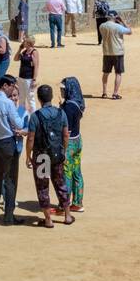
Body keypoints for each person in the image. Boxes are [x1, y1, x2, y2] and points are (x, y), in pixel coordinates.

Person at [25, 84, 73, 227]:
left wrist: (28, 156)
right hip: (57, 155)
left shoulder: (35, 116)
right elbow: (65, 135)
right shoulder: (61, 113)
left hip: (42, 157)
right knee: (60, 184)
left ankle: (48, 220)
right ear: (51, 97)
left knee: (42, 187)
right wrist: (63, 152)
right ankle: (68, 216)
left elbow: (31, 139)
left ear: (39, 99)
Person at [0, 75, 27, 225]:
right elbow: (19, 124)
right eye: (12, 86)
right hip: (8, 144)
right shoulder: (8, 103)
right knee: (10, 180)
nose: (13, 89)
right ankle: (8, 216)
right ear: (5, 85)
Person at [58, 75, 85, 213]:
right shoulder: (77, 103)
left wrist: (63, 147)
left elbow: (66, 131)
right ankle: (78, 203)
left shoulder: (68, 107)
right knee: (77, 172)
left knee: (66, 173)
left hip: (69, 143)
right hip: (78, 140)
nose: (62, 91)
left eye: (63, 89)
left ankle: (65, 205)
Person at [99, 10, 132, 100]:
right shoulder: (118, 27)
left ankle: (104, 93)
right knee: (118, 73)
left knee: (106, 73)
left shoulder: (102, 26)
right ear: (115, 17)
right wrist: (122, 21)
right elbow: (130, 31)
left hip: (107, 52)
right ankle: (115, 93)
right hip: (118, 52)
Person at [14, 35, 41, 112]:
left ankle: (33, 117)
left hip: (29, 79)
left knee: (30, 98)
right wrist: (20, 49)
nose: (23, 42)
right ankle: (21, 115)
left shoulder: (34, 52)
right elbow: (15, 59)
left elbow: (36, 67)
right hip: (21, 77)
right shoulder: (24, 51)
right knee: (21, 97)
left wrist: (34, 80)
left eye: (24, 41)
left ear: (28, 43)